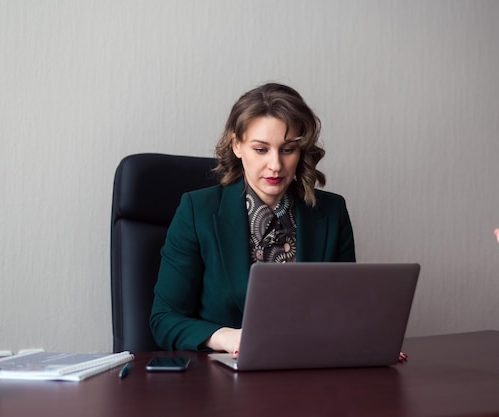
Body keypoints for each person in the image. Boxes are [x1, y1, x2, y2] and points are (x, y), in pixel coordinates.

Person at [150, 83, 356, 354]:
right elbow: (164, 320)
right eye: (261, 149)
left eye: (287, 149)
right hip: (223, 381)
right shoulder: (196, 210)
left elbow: (347, 311)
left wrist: (367, 338)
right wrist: (225, 338)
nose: (275, 165)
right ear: (237, 145)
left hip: (308, 372)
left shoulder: (331, 211)